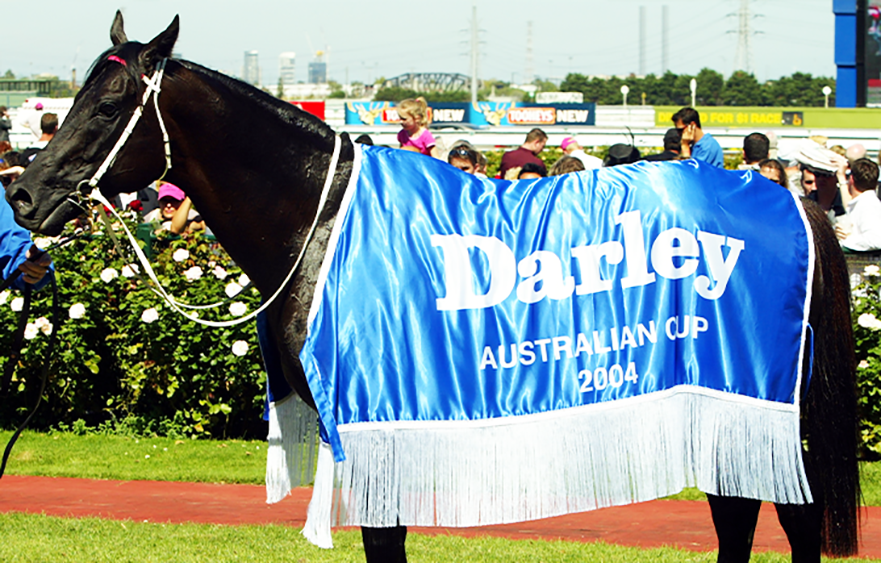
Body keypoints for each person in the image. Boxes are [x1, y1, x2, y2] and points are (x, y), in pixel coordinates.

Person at [836, 158, 881, 251]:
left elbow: (876, 241)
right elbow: (849, 204)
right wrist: (841, 176)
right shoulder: (863, 201)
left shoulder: (869, 205)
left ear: (851, 179)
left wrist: (848, 239)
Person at [795, 144, 846, 221]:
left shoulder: (844, 202)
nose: (822, 178)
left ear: (836, 177)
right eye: (818, 174)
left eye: (826, 175)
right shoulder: (805, 204)